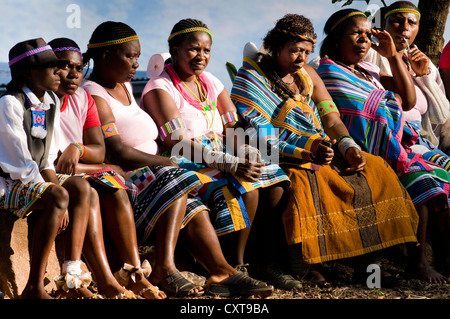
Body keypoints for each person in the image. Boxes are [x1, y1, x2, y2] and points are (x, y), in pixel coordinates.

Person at [82, 21, 274, 298]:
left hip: (156, 168)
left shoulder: (123, 85)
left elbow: (232, 124)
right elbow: (118, 151)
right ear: (106, 57)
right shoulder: (95, 93)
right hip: (132, 172)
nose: (137, 63)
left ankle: (223, 270)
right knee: (182, 178)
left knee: (195, 201)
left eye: (138, 56)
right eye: (130, 56)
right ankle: (165, 266)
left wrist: (245, 150)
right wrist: (167, 163)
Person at [230, 13, 420, 286]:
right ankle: (303, 264)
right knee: (305, 180)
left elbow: (330, 116)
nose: (301, 58)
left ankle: (369, 269)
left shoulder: (307, 74)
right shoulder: (252, 76)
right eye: (294, 50)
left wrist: (347, 145)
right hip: (275, 151)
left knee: (373, 169)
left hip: (320, 146)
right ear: (276, 45)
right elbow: (258, 130)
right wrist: (307, 148)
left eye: (306, 51)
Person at [140, 18, 294, 289]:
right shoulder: (159, 88)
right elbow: (177, 142)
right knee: (243, 185)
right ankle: (232, 265)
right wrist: (227, 162)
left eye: (207, 50)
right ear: (175, 51)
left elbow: (232, 126)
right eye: (193, 49)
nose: (201, 56)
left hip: (222, 152)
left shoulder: (211, 82)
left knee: (273, 175)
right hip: (187, 159)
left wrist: (245, 152)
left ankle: (259, 260)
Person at [317, 9, 450, 284]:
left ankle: (439, 260)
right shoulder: (328, 70)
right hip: (364, 148)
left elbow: (410, 99)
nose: (364, 40)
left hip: (393, 146)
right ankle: (418, 263)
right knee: (421, 180)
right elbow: (362, 112)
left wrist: (392, 57)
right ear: (337, 38)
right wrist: (391, 105)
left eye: (368, 35)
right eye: (356, 33)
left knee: (440, 181)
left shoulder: (368, 70)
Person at [48, 37, 165, 299]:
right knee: (94, 187)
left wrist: (78, 148)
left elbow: (98, 149)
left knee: (115, 187)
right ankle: (102, 280)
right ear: (49, 68)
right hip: (52, 174)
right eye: (63, 66)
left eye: (78, 68)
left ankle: (134, 273)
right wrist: (97, 164)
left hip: (77, 168)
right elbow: (48, 162)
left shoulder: (83, 99)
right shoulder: (42, 102)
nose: (72, 74)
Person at [0, 38, 92, 298]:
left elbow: (48, 158)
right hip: (9, 183)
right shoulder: (10, 104)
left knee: (81, 188)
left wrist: (56, 189)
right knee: (59, 195)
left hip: (33, 177)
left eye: (58, 67)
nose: (59, 73)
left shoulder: (51, 100)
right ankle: (34, 287)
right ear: (29, 73)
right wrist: (54, 193)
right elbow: (18, 165)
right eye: (52, 67)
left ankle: (71, 277)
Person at [364, 1, 450, 159]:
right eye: (397, 20)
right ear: (385, 24)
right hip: (387, 138)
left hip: (422, 143)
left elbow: (441, 117)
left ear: (418, 28)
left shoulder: (424, 63)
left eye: (412, 22)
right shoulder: (370, 52)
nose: (405, 27)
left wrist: (424, 77)